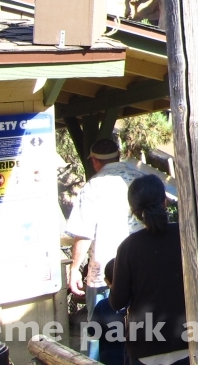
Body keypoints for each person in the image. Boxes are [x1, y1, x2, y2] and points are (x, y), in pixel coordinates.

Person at [65, 138, 143, 357]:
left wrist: (74, 269)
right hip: (140, 271)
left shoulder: (92, 187)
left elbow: (84, 234)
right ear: (118, 157)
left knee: (99, 335)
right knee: (141, 330)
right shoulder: (140, 180)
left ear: (95, 162)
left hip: (104, 273)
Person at [110, 175, 187, 365]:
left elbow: (117, 301)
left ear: (134, 210)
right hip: (188, 340)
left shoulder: (128, 247)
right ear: (165, 201)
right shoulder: (187, 236)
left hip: (144, 345)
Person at [90, 259, 126, 365]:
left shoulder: (102, 305)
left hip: (109, 359)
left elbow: (93, 332)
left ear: (106, 281)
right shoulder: (139, 305)